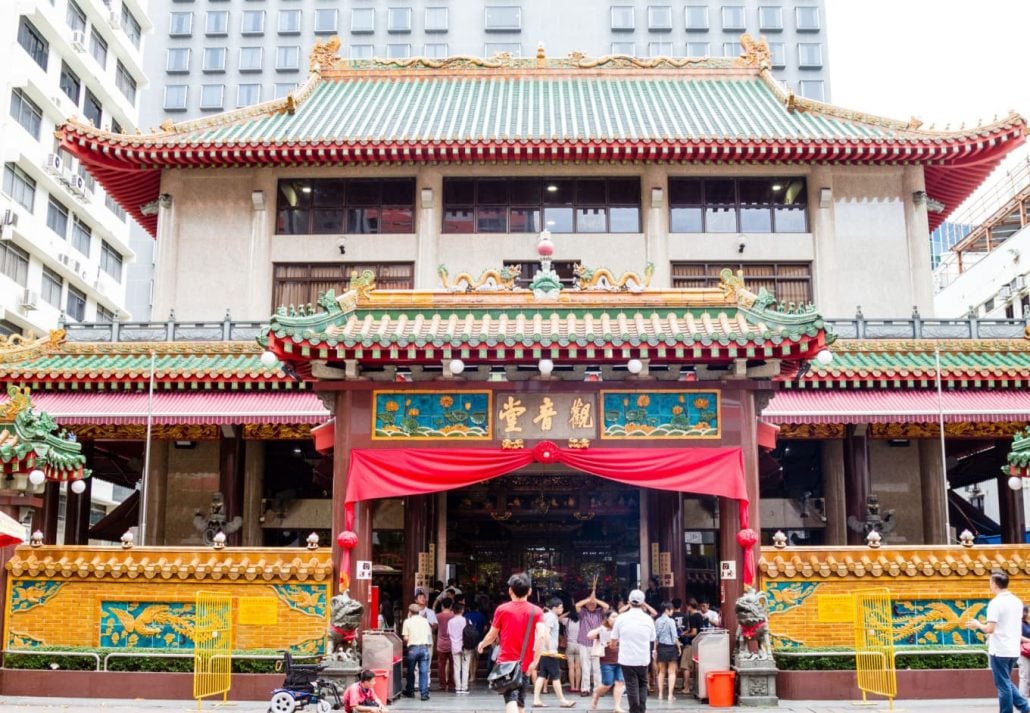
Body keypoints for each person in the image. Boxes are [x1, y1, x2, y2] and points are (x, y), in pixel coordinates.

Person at [477, 573, 547, 713]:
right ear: (530, 591)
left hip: (507, 665)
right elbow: (541, 636)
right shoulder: (536, 611)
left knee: (510, 701)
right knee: (520, 704)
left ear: (510, 590)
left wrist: (482, 644)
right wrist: (535, 661)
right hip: (526, 664)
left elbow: (492, 635)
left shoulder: (502, 610)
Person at [965, 570, 1030, 713]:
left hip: (1000, 649)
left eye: (990, 582)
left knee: (1002, 684)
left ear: (994, 584)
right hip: (1013, 648)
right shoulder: (1017, 601)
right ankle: (1025, 707)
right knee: (1005, 681)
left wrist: (977, 624)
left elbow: (990, 629)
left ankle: (1008, 711)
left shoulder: (995, 603)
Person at [610, 589, 656, 713]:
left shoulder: (621, 618)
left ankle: (635, 710)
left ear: (629, 601)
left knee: (631, 686)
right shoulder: (648, 620)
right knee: (642, 685)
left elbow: (613, 640)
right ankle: (642, 710)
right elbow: (652, 639)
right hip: (643, 659)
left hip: (627, 659)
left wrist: (614, 645)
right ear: (643, 602)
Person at [533, 597, 576, 708]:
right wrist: (551, 649)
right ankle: (562, 700)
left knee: (542, 675)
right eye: (560, 607)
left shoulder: (547, 615)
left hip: (543, 651)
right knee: (556, 676)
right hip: (549, 652)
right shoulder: (552, 617)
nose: (561, 609)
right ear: (554, 608)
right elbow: (546, 632)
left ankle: (536, 699)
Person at [575, 589, 610, 697]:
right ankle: (585, 689)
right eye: (590, 603)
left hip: (597, 643)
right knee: (585, 668)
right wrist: (588, 599)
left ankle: (597, 689)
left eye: (593, 603)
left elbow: (607, 607)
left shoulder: (599, 612)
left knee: (597, 668)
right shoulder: (583, 612)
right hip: (584, 643)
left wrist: (595, 599)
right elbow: (577, 605)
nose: (592, 604)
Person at [588, 609, 625, 713]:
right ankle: (596, 693)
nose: (615, 618)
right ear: (607, 619)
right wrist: (601, 628)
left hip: (621, 660)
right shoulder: (603, 630)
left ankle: (617, 707)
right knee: (607, 683)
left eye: (617, 616)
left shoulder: (621, 629)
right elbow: (589, 635)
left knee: (620, 682)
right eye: (613, 616)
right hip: (607, 661)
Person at [401, 603, 433, 701]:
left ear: (410, 612)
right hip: (424, 648)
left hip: (413, 649)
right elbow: (428, 634)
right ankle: (424, 694)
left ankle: (410, 690)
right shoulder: (425, 621)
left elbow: (405, 637)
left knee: (411, 671)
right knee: (423, 671)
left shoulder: (407, 621)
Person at [653, 601, 680, 702]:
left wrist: (655, 649)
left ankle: (660, 694)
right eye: (671, 609)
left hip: (661, 647)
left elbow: (655, 637)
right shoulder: (671, 621)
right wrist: (679, 647)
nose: (672, 611)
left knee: (661, 672)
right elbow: (674, 637)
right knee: (671, 672)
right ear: (666, 610)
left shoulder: (657, 621)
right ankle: (669, 695)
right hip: (670, 648)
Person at [678, 599, 705, 695]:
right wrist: (686, 631)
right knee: (695, 666)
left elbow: (694, 632)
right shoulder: (699, 615)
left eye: (687, 606)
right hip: (699, 643)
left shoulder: (693, 617)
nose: (686, 608)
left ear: (690, 606)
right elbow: (693, 628)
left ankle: (686, 687)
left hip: (691, 644)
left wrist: (685, 635)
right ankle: (695, 685)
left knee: (685, 666)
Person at [448, 602, 472, 694]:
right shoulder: (467, 620)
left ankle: (457, 687)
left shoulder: (450, 622)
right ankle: (464, 687)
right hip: (465, 646)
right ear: (462, 611)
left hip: (455, 646)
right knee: (465, 667)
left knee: (456, 667)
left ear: (453, 611)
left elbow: (449, 633)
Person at [436, 597, 456, 691]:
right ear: (451, 606)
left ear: (442, 606)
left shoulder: (438, 616)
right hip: (452, 644)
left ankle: (442, 684)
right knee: (452, 665)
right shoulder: (454, 615)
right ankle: (451, 684)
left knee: (441, 665)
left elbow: (435, 627)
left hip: (441, 644)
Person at [561, 607, 581, 694]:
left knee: (571, 668)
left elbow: (558, 618)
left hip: (570, 645)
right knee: (578, 667)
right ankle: (577, 687)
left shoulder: (567, 620)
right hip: (580, 645)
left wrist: (568, 611)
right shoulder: (582, 621)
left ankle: (572, 687)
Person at [1020, 606, 1030, 697]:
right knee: (1025, 676)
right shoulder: (1019, 623)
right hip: (1023, 652)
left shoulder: (1027, 624)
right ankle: (1022, 699)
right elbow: (1018, 636)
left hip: (1028, 651)